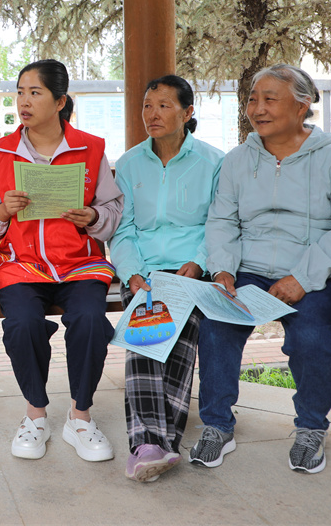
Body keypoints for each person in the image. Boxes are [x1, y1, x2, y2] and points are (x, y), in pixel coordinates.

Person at [192, 63, 331, 474]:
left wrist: (302, 278)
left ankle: (310, 428)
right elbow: (222, 221)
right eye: (253, 99)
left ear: (302, 105)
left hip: (313, 271)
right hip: (248, 270)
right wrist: (222, 271)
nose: (258, 109)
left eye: (270, 99)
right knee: (216, 327)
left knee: (312, 338)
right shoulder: (239, 159)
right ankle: (217, 425)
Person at [0, 59, 123, 462]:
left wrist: (92, 216)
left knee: (90, 320)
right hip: (20, 263)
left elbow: (112, 209)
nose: (24, 101)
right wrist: (3, 211)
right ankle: (35, 414)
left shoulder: (90, 148)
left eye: (35, 93)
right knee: (21, 323)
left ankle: (80, 416)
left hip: (79, 264)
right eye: (20, 92)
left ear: (59, 102)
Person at [109, 75, 223, 482]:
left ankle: (148, 444)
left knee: (180, 335)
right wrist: (132, 274)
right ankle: (157, 443)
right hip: (142, 271)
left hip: (190, 270)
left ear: (187, 112)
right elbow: (123, 229)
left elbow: (219, 224)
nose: (152, 114)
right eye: (147, 105)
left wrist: (198, 262)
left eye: (163, 106)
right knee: (146, 330)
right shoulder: (129, 163)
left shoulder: (213, 162)